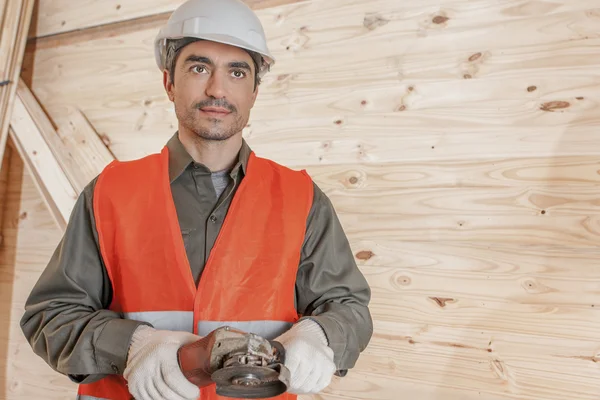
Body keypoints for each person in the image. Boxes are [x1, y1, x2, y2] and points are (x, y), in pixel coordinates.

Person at [19, 0, 373, 399]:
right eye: (198, 67)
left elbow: (349, 308)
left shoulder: (301, 199)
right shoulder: (110, 193)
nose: (217, 89)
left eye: (237, 72)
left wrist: (322, 334)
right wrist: (130, 345)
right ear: (169, 82)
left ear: (255, 90)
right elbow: (50, 317)